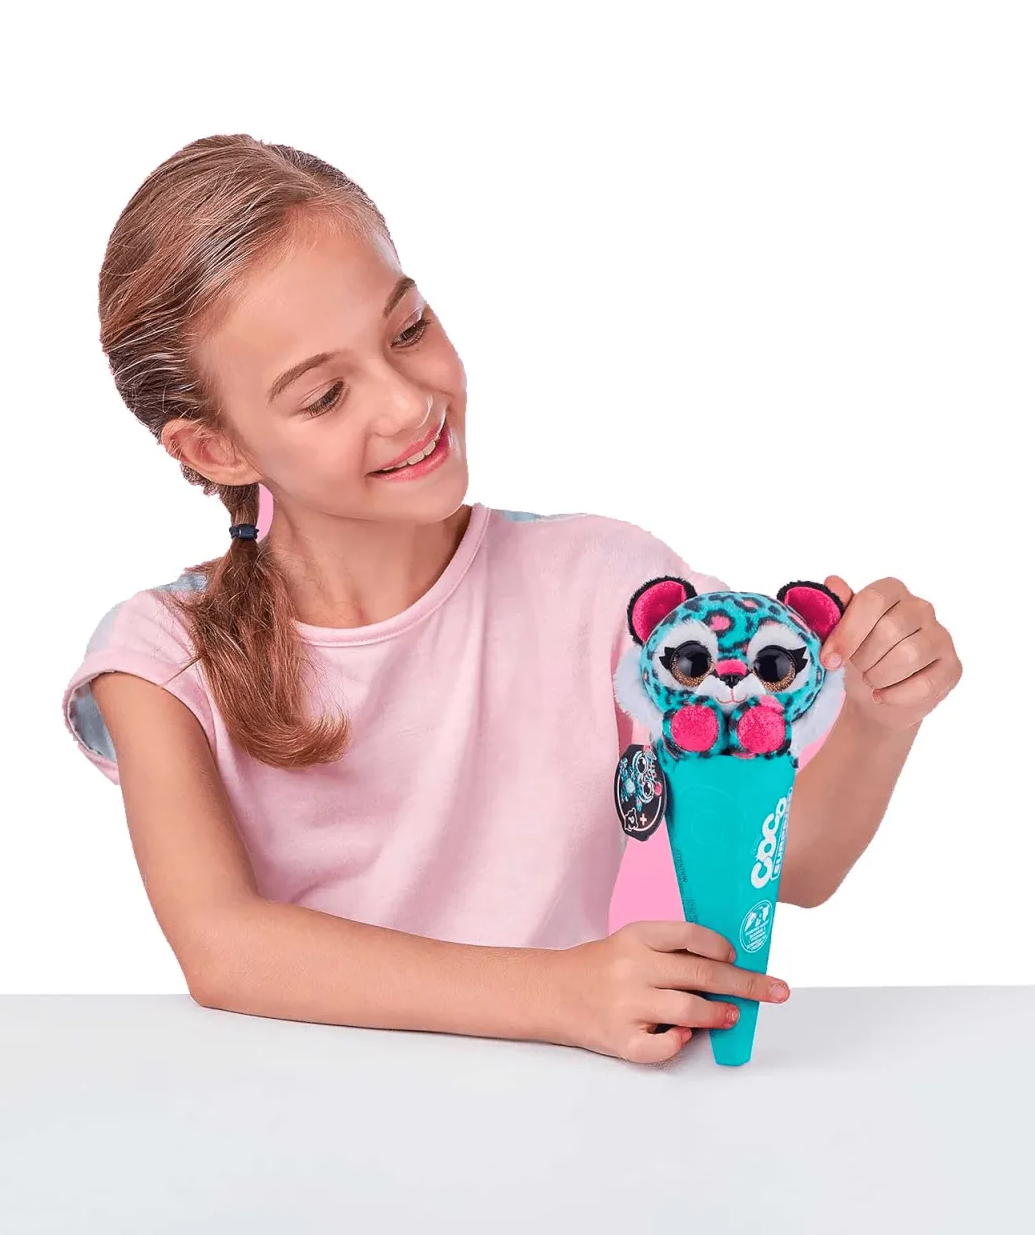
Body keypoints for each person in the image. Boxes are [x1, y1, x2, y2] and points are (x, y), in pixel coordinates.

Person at [62, 133, 963, 1065]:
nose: (408, 403)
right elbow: (223, 947)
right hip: (298, 1121)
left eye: (408, 330)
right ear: (215, 450)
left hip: (570, 1118)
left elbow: (793, 864)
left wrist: (877, 718)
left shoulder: (606, 588)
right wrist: (557, 992)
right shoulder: (162, 659)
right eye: (326, 395)